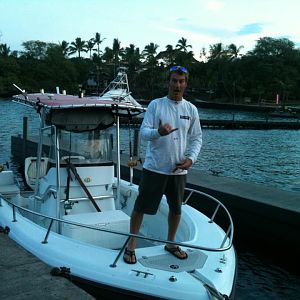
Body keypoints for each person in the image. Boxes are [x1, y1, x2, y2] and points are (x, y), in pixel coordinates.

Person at [123, 66, 202, 264]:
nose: (177, 85)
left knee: (176, 210)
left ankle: (171, 242)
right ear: (168, 82)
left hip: (178, 170)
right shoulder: (156, 105)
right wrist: (159, 132)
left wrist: (191, 159)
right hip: (155, 168)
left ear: (186, 84)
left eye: (181, 81)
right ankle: (131, 244)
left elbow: (197, 138)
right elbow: (144, 133)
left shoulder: (191, 109)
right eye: (174, 80)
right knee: (141, 207)